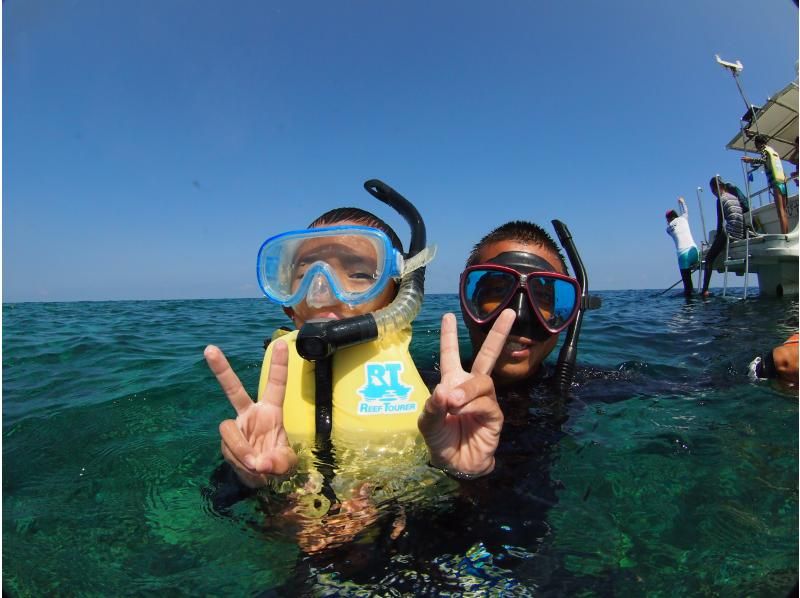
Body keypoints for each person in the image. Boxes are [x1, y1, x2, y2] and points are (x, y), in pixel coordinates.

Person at [700, 176, 745, 298]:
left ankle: (705, 291)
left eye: (713, 191)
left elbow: (720, 224)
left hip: (730, 233)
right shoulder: (734, 196)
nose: (714, 194)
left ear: (716, 188)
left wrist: (715, 243)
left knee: (709, 258)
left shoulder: (720, 199)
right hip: (740, 233)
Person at [742, 134, 790, 234]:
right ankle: (787, 233)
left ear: (758, 144)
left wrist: (750, 160)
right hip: (782, 182)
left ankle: (784, 234)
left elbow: (763, 160)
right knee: (784, 212)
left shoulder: (764, 150)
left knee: (780, 211)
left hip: (776, 183)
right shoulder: (773, 151)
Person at [664, 197, 700, 296]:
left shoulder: (668, 229)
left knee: (688, 289)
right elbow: (685, 210)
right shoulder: (684, 218)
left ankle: (689, 303)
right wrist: (682, 201)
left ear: (668, 219)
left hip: (683, 256)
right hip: (695, 253)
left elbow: (672, 227)